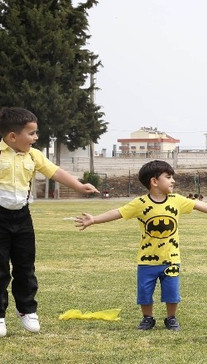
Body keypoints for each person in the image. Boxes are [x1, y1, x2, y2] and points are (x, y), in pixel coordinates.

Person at [74, 160, 207, 331]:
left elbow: (197, 205)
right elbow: (118, 212)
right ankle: (147, 318)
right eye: (168, 177)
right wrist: (94, 219)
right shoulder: (140, 203)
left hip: (171, 258)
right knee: (145, 292)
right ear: (154, 181)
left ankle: (171, 318)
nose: (173, 181)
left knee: (172, 291)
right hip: (146, 259)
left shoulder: (176, 200)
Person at [0, 107, 100, 337]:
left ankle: (27, 310)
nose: (36, 138)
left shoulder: (34, 156)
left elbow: (55, 172)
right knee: (0, 269)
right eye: (32, 133)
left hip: (22, 217)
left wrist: (78, 185)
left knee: (25, 266)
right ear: (13, 136)